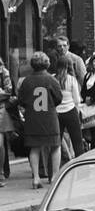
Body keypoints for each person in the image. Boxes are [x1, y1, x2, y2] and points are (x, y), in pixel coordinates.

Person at [16, 51, 62, 189]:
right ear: (47, 64)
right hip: (49, 117)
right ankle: (54, 175)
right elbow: (59, 98)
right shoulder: (51, 80)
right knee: (55, 146)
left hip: (33, 118)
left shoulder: (26, 81)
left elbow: (22, 100)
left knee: (34, 148)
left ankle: (36, 178)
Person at [52, 50, 85, 161]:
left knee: (56, 143)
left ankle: (53, 170)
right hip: (70, 110)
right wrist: (78, 109)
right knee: (77, 141)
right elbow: (76, 99)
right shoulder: (71, 79)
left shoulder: (53, 78)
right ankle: (80, 165)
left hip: (56, 112)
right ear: (69, 66)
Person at [0, 59, 15, 184]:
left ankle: (1, 173)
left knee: (0, 144)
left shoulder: (3, 72)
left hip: (0, 110)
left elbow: (8, 92)